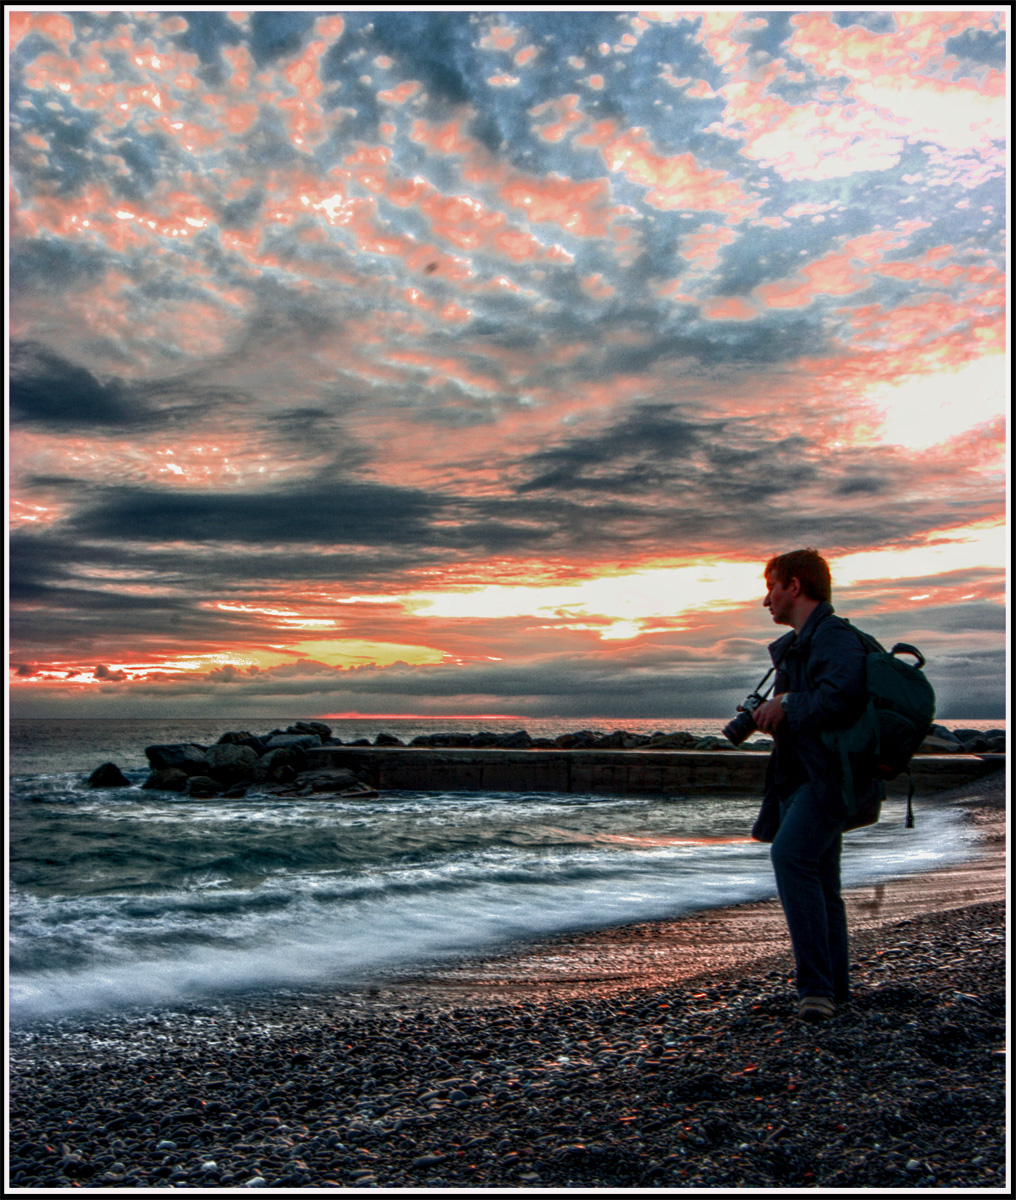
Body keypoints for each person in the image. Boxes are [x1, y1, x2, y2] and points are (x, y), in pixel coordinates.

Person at [749, 548, 880, 1023]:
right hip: (804, 774)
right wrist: (776, 714)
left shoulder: (833, 636)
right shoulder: (804, 643)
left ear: (796, 586)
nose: (767, 600)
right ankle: (835, 989)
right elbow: (813, 706)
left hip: (827, 778)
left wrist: (787, 706)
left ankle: (815, 990)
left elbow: (843, 697)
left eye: (772, 586)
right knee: (822, 881)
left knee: (791, 857)